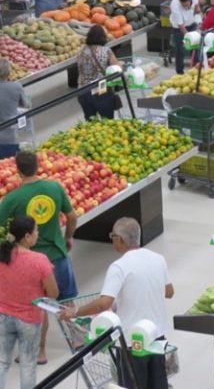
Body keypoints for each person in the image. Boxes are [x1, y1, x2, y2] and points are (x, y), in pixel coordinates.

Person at [58, 217, 174, 389]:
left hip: (131, 342)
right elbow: (169, 292)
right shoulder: (158, 259)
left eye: (112, 235)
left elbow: (103, 303)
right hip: (157, 336)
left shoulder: (119, 266)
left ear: (119, 239)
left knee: (132, 385)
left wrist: (75, 312)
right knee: (158, 384)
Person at [0, 150, 77, 365]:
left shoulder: (12, 198)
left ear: (17, 170)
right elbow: (71, 216)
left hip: (30, 261)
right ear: (38, 165)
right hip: (58, 255)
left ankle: (39, 352)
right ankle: (78, 339)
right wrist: (68, 237)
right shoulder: (54, 187)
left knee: (39, 306)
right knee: (68, 298)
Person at [0, 216, 59, 389]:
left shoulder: (2, 255)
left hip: (3, 316)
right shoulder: (39, 260)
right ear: (27, 236)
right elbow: (53, 293)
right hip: (29, 320)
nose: (37, 234)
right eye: (36, 231)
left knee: (2, 362)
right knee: (27, 366)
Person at [76, 25, 120, 120]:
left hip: (83, 90)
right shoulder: (106, 51)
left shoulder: (80, 51)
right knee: (107, 120)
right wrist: (121, 64)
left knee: (91, 121)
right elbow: (116, 68)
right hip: (101, 88)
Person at [0, 59, 29, 159]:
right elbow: (25, 105)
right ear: (8, 73)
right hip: (9, 137)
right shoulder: (16, 87)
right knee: (8, 167)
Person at [169, 0, 200, 75]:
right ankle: (180, 71)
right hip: (179, 29)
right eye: (184, 5)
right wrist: (189, 37)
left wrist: (197, 10)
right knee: (180, 49)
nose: (186, 7)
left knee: (195, 47)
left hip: (191, 24)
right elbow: (181, 26)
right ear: (180, 2)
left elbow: (197, 4)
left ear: (190, 0)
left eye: (188, 5)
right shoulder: (175, 6)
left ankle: (196, 68)